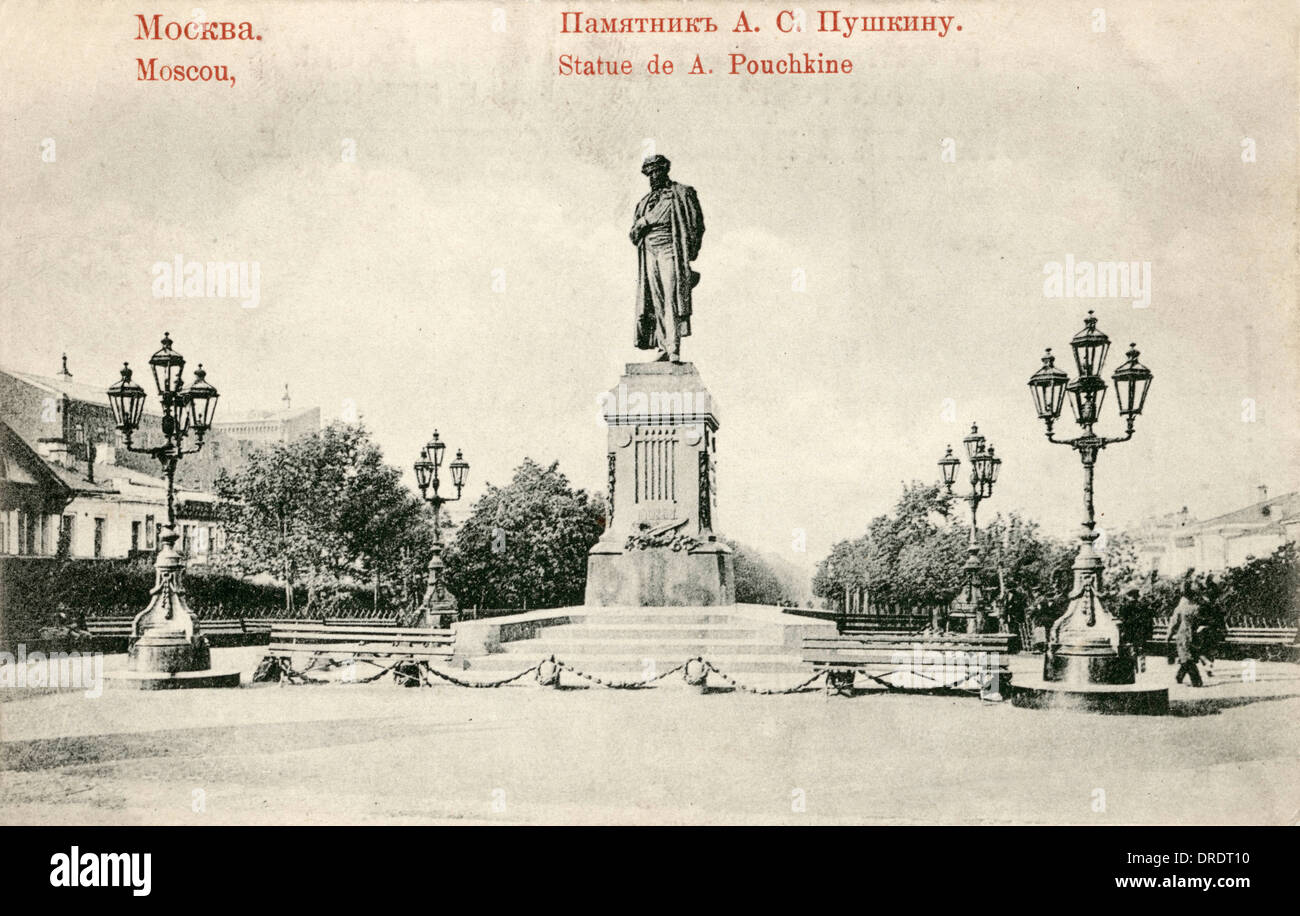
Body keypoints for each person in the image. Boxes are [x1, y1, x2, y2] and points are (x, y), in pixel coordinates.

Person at [630, 155, 705, 363]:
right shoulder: (644, 202)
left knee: (671, 297)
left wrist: (689, 253)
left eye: (656, 172)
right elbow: (633, 234)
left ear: (664, 171)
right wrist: (641, 225)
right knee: (656, 300)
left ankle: (673, 347)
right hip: (649, 252)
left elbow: (697, 224)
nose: (653, 176)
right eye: (649, 173)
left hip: (670, 249)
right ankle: (663, 346)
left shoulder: (681, 193)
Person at [1166, 582, 1203, 687]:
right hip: (1194, 634)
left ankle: (1191, 679)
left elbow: (1174, 623)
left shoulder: (1180, 607)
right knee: (1188, 657)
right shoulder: (1197, 607)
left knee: (1186, 657)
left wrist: (1168, 636)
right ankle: (1185, 678)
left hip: (1183, 635)